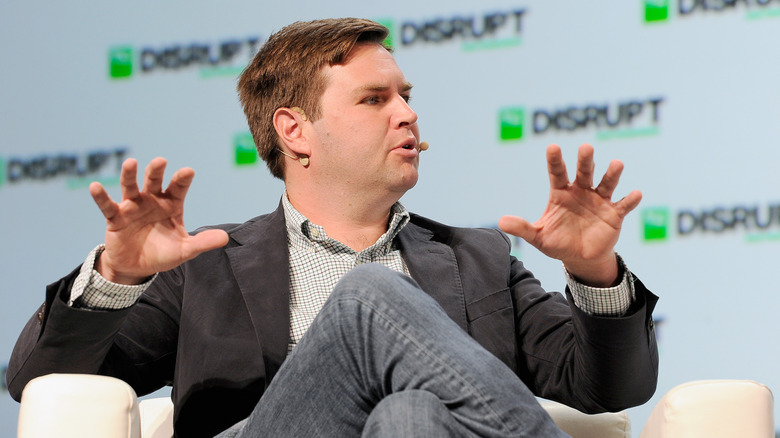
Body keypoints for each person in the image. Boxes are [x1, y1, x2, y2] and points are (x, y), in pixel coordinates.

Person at [7, 18, 658, 438]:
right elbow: (36, 381)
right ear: (294, 131)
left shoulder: (479, 260)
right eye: (376, 99)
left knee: (411, 419)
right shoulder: (207, 266)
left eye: (406, 95)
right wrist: (118, 276)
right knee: (369, 297)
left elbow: (608, 390)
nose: (407, 115)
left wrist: (594, 273)